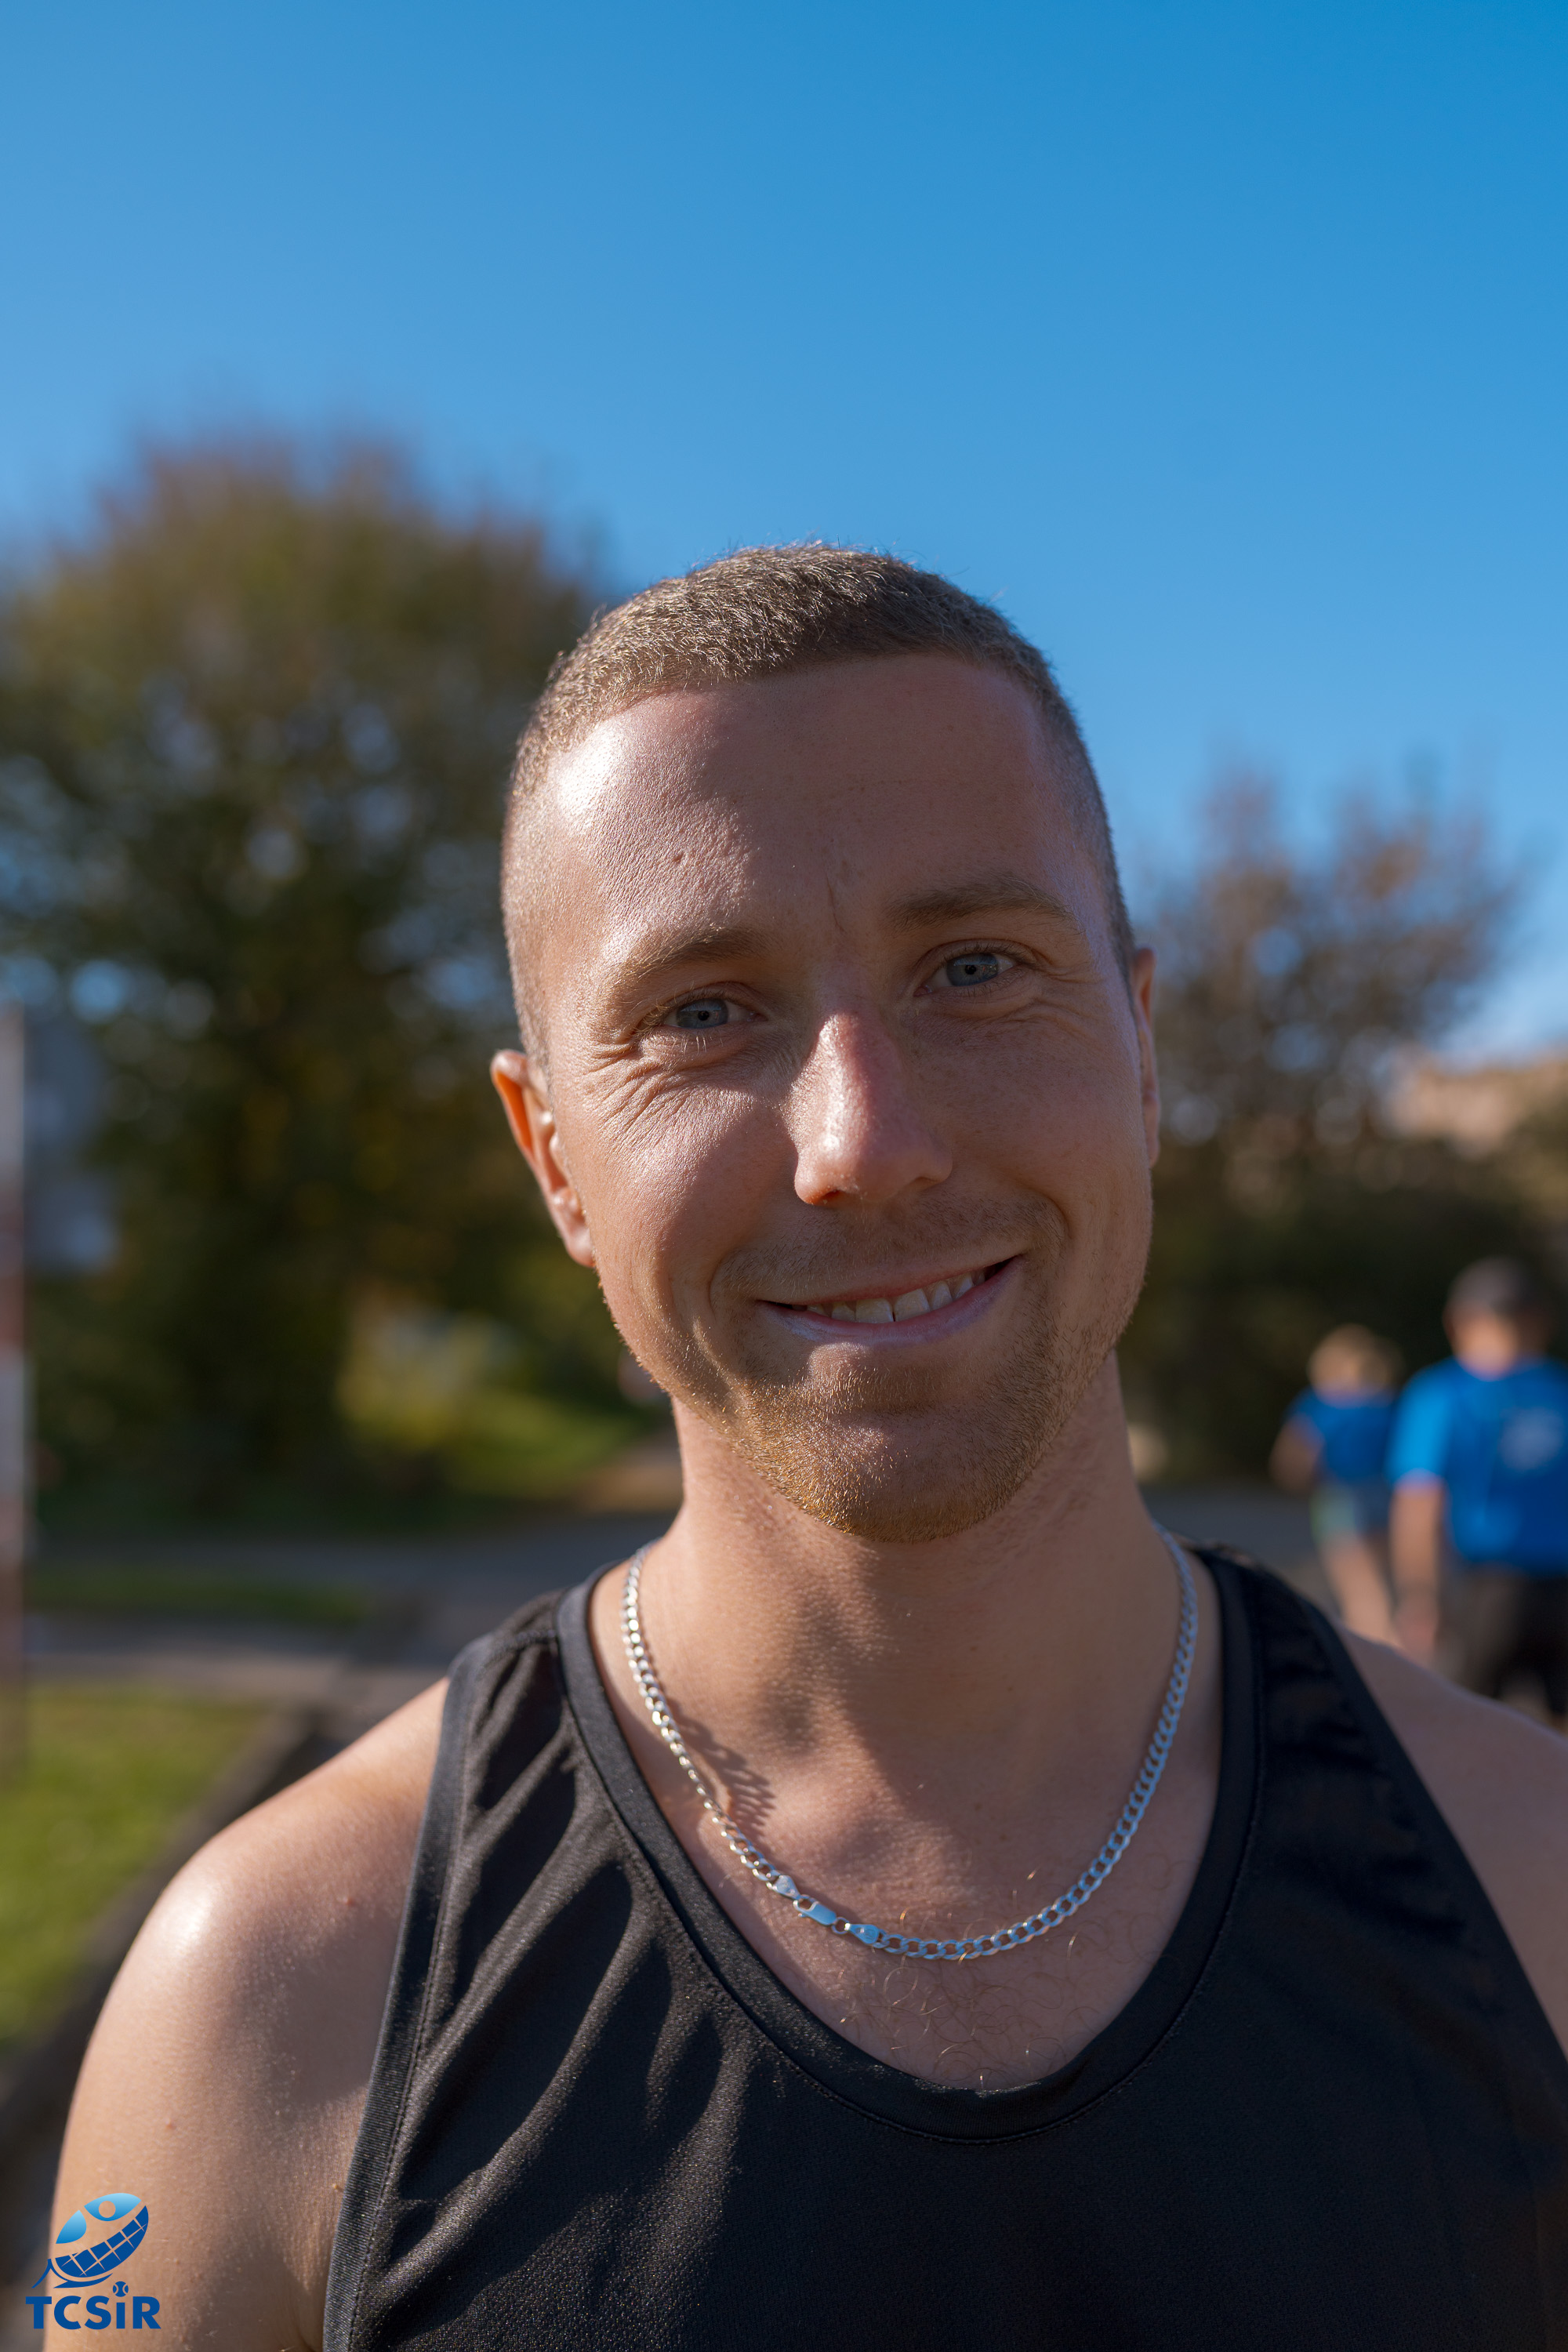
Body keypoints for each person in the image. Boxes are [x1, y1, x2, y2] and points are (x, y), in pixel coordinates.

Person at [51, 551, 1568, 2350]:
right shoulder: (276, 1989)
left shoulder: (1529, 1882)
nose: (864, 1142)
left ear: (1142, 1051)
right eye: (702, 1010)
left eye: (975, 967)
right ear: (553, 1161)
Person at [1390, 1258, 1568, 1719]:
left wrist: (1420, 1597)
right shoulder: (1559, 1390)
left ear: (1459, 1322)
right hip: (1561, 1582)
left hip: (1489, 1587)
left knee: (1466, 1728)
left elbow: (1419, 1504)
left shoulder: (1442, 1394)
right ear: (1540, 1322)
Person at [1270, 1325, 1399, 1641]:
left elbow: (1296, 1457)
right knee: (1383, 1582)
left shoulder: (1321, 1405)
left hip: (1340, 1497)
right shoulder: (1387, 1405)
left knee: (1357, 1588)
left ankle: (1377, 1649)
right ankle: (1390, 1641)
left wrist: (1300, 1484)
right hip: (1386, 1495)